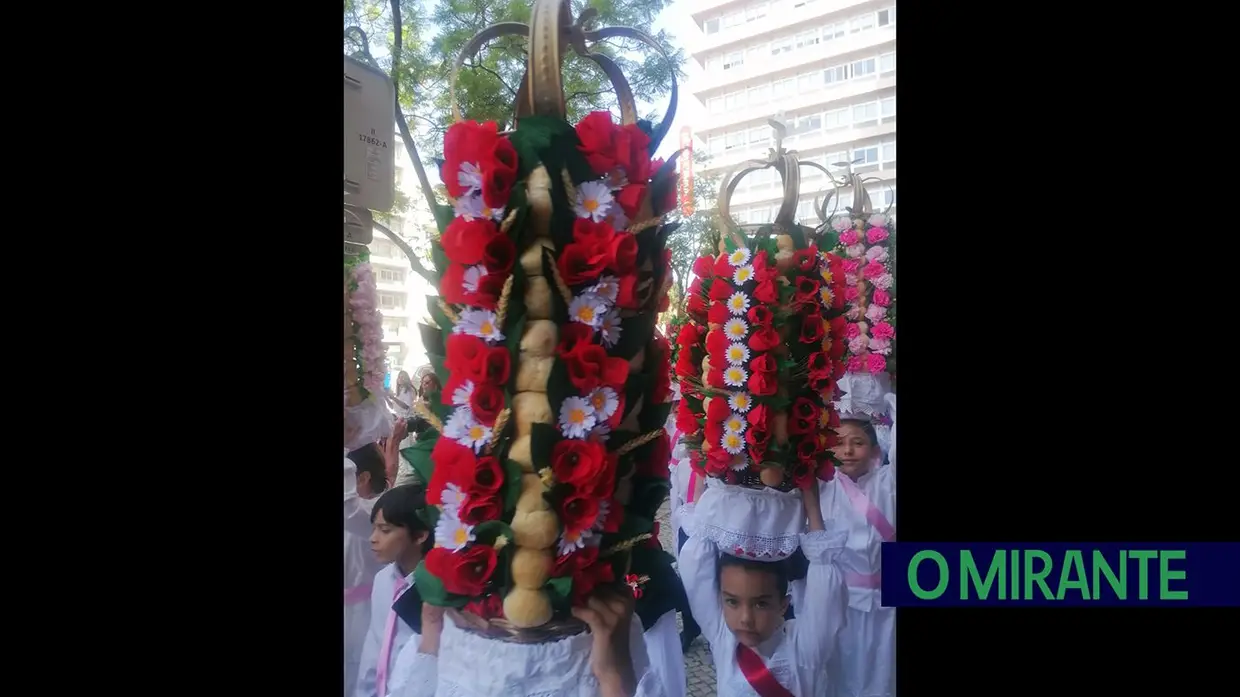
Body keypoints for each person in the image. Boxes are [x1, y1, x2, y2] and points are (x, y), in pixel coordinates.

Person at [679, 484, 849, 696]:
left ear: (783, 604)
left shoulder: (805, 648)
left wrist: (812, 505)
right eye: (732, 601)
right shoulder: (724, 639)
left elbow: (826, 589)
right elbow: (696, 569)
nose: (745, 618)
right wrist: (706, 478)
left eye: (761, 604)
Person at [819, 386, 896, 697]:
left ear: (875, 450)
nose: (848, 451)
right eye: (839, 443)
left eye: (858, 443)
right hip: (842, 601)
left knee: (881, 672)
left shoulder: (886, 485)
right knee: (842, 673)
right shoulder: (823, 489)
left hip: (887, 601)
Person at [355, 484, 433, 697]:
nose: (373, 538)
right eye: (374, 528)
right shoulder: (382, 580)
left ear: (419, 535)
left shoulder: (434, 591)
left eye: (385, 530)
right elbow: (375, 647)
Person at [344, 452, 389, 696]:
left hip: (361, 612)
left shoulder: (371, 513)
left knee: (356, 675)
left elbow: (348, 510)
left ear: (362, 478)